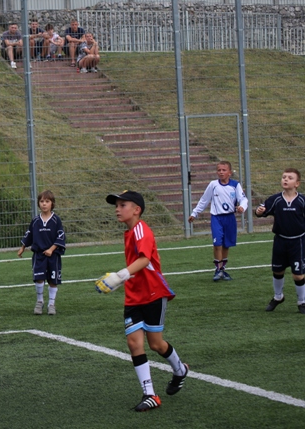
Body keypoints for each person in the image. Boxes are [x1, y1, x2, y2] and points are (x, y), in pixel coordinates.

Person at [96, 190, 189, 412]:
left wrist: (120, 275)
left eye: (122, 205)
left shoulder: (141, 229)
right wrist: (123, 280)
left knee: (156, 344)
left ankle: (180, 370)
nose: (117, 209)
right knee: (134, 343)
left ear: (136, 209)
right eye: (116, 205)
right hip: (134, 296)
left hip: (153, 293)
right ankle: (150, 394)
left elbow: (145, 259)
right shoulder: (129, 232)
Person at [254, 168, 305, 314]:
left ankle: (302, 301)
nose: (286, 179)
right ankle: (278, 297)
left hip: (298, 242)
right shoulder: (276, 199)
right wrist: (259, 211)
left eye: (290, 178)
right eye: (284, 177)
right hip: (280, 241)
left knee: (298, 274)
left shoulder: (302, 201)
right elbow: (262, 210)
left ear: (297, 183)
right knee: (277, 270)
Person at [188, 161, 248, 281]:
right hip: (217, 218)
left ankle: (222, 270)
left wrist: (242, 207)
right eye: (219, 170)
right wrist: (195, 213)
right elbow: (204, 200)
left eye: (224, 170)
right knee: (217, 244)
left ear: (229, 172)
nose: (221, 172)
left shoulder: (235, 185)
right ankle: (218, 269)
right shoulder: (213, 185)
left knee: (226, 245)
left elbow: (243, 199)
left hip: (230, 218)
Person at [17, 190, 66, 315]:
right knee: (39, 279)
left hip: (53, 256)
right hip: (39, 255)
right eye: (42, 201)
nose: (44, 204)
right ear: (38, 203)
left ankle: (51, 304)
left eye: (47, 201)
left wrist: (51, 249)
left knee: (52, 280)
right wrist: (23, 247)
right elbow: (29, 234)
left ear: (52, 203)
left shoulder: (56, 220)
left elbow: (60, 236)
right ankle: (40, 301)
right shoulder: (35, 220)